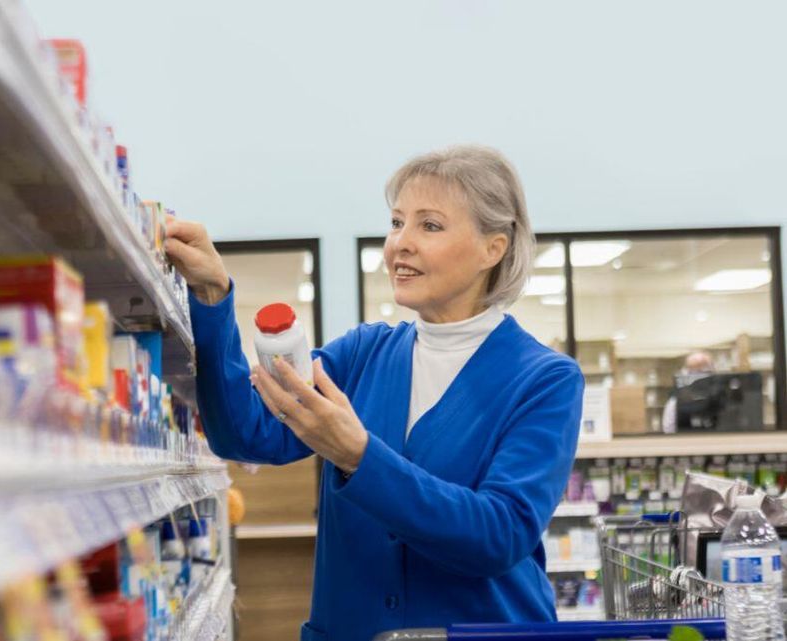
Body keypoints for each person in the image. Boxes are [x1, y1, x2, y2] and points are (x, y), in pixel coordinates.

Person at [165, 145, 584, 641]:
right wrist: (212, 294)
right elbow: (246, 434)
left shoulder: (544, 380)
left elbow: (499, 534)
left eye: (430, 225)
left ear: (492, 249)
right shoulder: (363, 354)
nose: (400, 244)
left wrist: (358, 455)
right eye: (396, 223)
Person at [661, 351, 715, 433]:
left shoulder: (719, 395)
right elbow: (669, 428)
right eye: (695, 371)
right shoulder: (676, 400)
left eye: (703, 371)